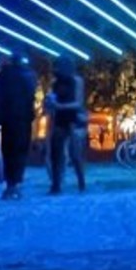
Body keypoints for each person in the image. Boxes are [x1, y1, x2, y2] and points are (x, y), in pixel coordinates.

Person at [0, 52, 38, 199]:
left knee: (8, 151)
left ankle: (10, 184)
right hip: (23, 119)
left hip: (7, 120)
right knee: (20, 151)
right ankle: (16, 182)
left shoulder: (1, 77)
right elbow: (31, 96)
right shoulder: (27, 76)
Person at [46, 56, 87, 193]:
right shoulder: (56, 83)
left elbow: (78, 103)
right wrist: (50, 104)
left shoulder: (76, 81)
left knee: (75, 154)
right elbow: (54, 100)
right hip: (60, 119)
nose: (56, 70)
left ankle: (81, 182)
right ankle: (56, 184)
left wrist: (59, 106)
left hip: (74, 120)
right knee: (56, 154)